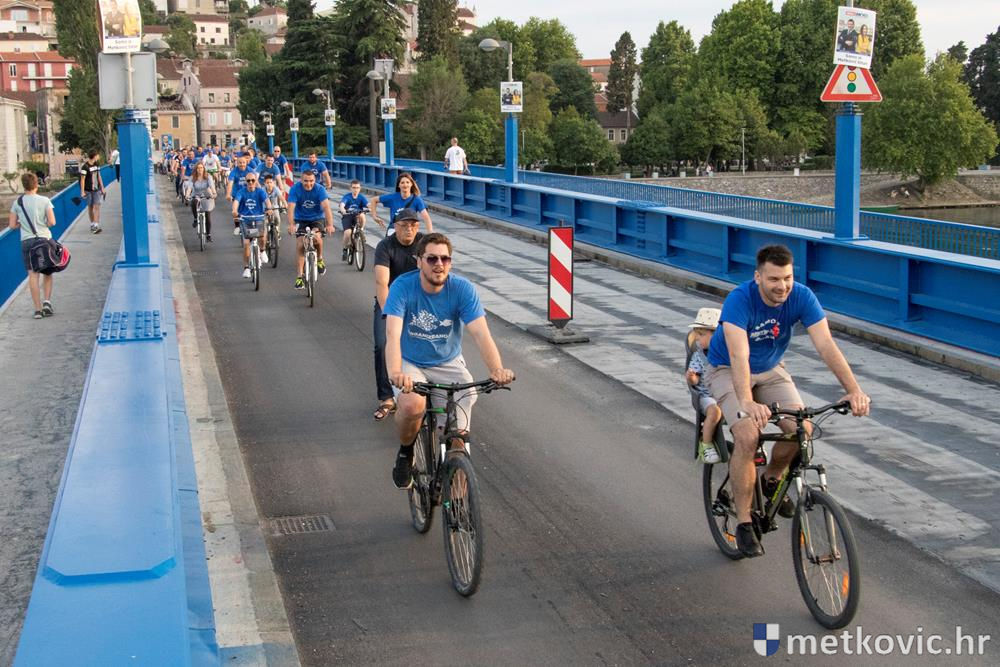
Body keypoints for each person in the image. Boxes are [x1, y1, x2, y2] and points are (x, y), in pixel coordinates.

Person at [704, 244, 870, 558]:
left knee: (802, 429)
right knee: (748, 435)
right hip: (727, 369)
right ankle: (744, 522)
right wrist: (746, 402)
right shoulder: (739, 300)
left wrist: (853, 390)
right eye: (774, 279)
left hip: (771, 369)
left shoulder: (802, 297)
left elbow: (825, 344)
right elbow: (739, 355)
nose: (782, 286)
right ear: (758, 277)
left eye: (787, 278)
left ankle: (771, 476)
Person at [384, 232, 515, 489]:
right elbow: (392, 334)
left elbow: (481, 334)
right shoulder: (402, 286)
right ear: (419, 261)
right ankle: (406, 452)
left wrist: (497, 369)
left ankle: (458, 506)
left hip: (448, 363)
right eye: (432, 258)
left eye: (445, 259)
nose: (439, 264)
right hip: (411, 362)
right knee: (412, 406)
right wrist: (396, 372)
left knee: (459, 439)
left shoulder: (462, 289)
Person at [371, 207, 421, 420]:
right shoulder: (385, 246)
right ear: (395, 227)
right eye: (404, 225)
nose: (409, 229)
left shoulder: (424, 244)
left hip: (419, 304)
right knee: (382, 344)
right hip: (390, 303)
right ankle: (386, 397)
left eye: (413, 225)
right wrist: (389, 314)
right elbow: (382, 283)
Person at [8, 172, 57, 319]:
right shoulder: (44, 200)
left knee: (33, 275)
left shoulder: (18, 202)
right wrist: (43, 223)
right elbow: (52, 222)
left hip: (27, 241)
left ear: (24, 185)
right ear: (36, 184)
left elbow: (12, 225)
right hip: (44, 240)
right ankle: (47, 302)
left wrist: (21, 224)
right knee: (47, 272)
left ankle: (37, 310)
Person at [686, 307, 723, 464]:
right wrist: (692, 378)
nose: (697, 339)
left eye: (701, 335)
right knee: (714, 412)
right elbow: (694, 381)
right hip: (706, 396)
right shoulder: (699, 356)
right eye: (697, 335)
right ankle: (706, 443)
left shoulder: (728, 352)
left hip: (726, 394)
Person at [286, 169, 334, 290]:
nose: (309, 184)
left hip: (317, 218)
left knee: (316, 237)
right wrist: (291, 224)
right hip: (300, 219)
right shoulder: (295, 189)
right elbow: (291, 208)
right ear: (301, 180)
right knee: (300, 244)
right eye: (306, 181)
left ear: (315, 180)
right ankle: (299, 277)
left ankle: (320, 259)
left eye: (311, 181)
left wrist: (330, 225)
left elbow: (326, 207)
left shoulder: (320, 189)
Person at [231, 173, 272, 278]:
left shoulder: (260, 192)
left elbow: (267, 202)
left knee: (262, 237)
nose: (250, 182)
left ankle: (262, 251)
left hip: (259, 219)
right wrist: (234, 210)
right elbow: (236, 202)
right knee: (246, 244)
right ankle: (246, 268)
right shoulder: (241, 192)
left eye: (253, 180)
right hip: (245, 220)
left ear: (256, 181)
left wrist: (269, 209)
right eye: (248, 180)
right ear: (245, 181)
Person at [369, 172, 433, 236]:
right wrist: (374, 217)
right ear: (398, 185)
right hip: (394, 229)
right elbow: (374, 200)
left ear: (411, 184)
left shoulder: (417, 199)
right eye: (402, 183)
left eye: (407, 182)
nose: (405, 185)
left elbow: (426, 216)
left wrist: (430, 233)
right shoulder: (393, 197)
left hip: (410, 229)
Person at [339, 179, 376, 261]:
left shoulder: (361, 197)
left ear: (360, 188)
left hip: (357, 216)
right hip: (348, 216)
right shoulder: (347, 196)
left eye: (357, 188)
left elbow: (368, 204)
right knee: (347, 233)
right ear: (350, 188)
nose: (356, 190)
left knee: (362, 215)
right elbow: (342, 204)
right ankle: (345, 249)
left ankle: (361, 230)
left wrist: (371, 208)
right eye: (354, 188)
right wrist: (343, 210)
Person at [189, 161, 217, 242]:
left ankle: (208, 235)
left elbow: (212, 186)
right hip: (196, 195)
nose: (200, 169)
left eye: (201, 168)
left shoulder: (208, 177)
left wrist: (214, 194)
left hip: (206, 195)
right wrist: (187, 195)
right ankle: (195, 218)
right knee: (194, 202)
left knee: (207, 215)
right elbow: (189, 188)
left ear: (204, 169)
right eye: (198, 168)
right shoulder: (193, 177)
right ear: (196, 169)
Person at [79, 150, 105, 234]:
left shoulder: (97, 165)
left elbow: (99, 176)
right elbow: (82, 180)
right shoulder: (85, 167)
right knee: (90, 207)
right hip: (88, 190)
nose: (99, 157)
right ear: (94, 156)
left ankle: (96, 225)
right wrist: (82, 192)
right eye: (98, 155)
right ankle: (92, 224)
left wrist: (102, 187)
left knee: (97, 206)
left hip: (96, 189)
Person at [227, 154, 254, 235]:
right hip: (237, 194)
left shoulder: (250, 170)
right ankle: (237, 226)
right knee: (235, 211)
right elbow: (230, 183)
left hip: (248, 193)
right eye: (240, 163)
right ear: (237, 163)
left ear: (246, 163)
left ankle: (252, 225)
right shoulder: (234, 172)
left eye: (243, 162)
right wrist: (228, 194)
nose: (242, 164)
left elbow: (255, 182)